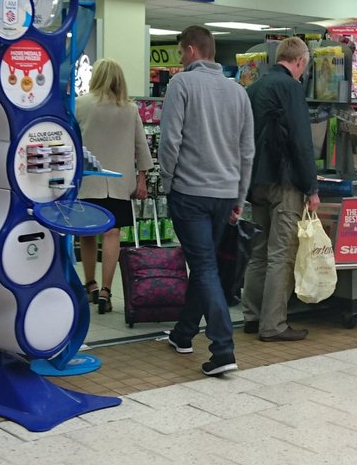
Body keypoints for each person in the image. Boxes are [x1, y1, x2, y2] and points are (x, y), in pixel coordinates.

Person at [159, 25, 254, 376]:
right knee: (205, 265)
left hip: (190, 193)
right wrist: (240, 196)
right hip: (225, 193)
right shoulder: (238, 92)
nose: (181, 59)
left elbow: (170, 140)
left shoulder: (181, 84)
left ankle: (223, 349)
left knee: (203, 267)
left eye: (181, 53)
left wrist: (168, 182)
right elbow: (247, 151)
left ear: (191, 50)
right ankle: (183, 333)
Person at [241, 36, 320, 342]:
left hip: (256, 180)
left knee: (259, 252)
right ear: (300, 61)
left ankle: (252, 316)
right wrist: (311, 186)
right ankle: (273, 325)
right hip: (284, 181)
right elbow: (301, 140)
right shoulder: (291, 88)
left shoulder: (253, 87)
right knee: (281, 254)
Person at [76, 58, 151, 314]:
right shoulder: (129, 109)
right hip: (118, 182)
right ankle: (106, 291)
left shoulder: (80, 105)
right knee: (112, 234)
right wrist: (142, 178)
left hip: (88, 181)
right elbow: (141, 146)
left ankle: (90, 284)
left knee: (87, 234)